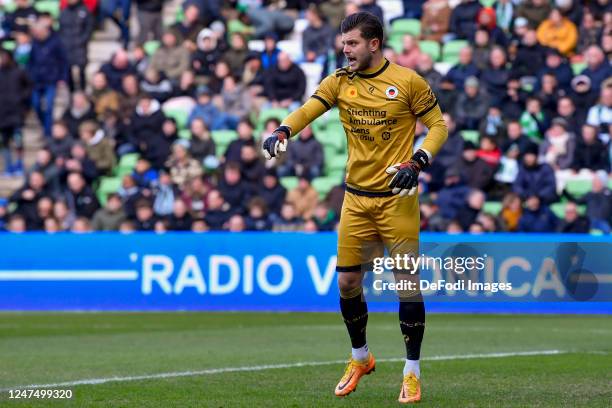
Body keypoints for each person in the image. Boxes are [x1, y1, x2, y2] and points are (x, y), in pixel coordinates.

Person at [261, 12, 448, 403]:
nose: (345, 50)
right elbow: (309, 109)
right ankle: (360, 357)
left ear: (374, 44)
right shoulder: (339, 81)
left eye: (352, 44)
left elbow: (439, 126)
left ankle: (412, 371)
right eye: (343, 44)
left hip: (397, 200)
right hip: (356, 199)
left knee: (407, 285)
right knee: (347, 283)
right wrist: (283, 129)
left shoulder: (408, 82)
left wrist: (418, 162)